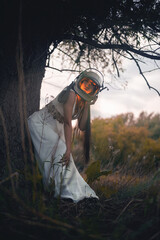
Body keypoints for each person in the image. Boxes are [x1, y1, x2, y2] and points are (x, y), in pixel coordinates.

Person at [28, 68, 104, 203]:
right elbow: (68, 123)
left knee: (68, 162)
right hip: (41, 124)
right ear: (81, 81)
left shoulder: (82, 102)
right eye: (86, 82)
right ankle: (62, 192)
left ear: (95, 91)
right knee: (63, 152)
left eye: (93, 86)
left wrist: (88, 103)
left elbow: (81, 126)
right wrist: (68, 149)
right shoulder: (71, 94)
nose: (88, 86)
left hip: (55, 130)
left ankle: (79, 193)